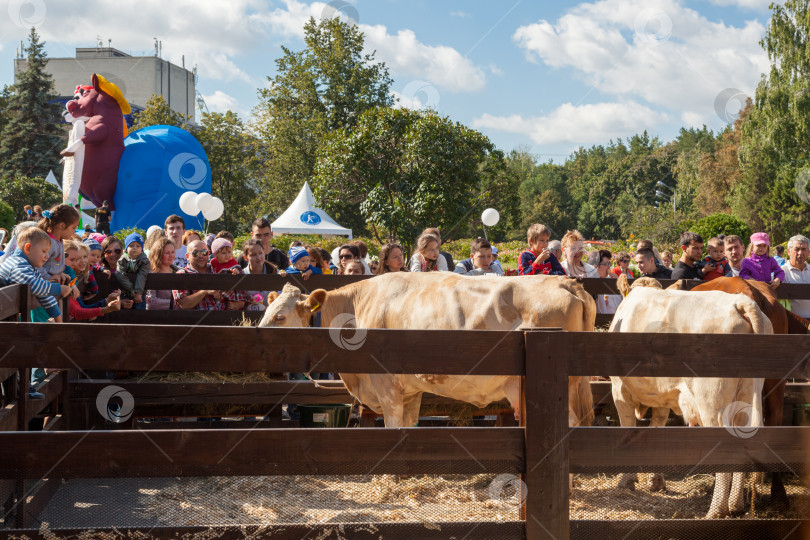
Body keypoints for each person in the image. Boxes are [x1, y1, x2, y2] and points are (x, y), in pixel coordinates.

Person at [0, 227, 71, 323]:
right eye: (44, 251)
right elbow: (35, 286)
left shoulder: (30, 268)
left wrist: (59, 320)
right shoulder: (18, 265)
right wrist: (58, 289)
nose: (47, 256)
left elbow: (43, 294)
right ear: (28, 248)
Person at [173, 239, 247, 310]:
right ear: (187, 256)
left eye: (204, 252)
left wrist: (236, 273)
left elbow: (237, 291)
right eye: (196, 253)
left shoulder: (217, 269)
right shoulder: (182, 274)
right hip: (197, 321)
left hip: (224, 319)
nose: (201, 256)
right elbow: (183, 304)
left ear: (209, 254)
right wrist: (204, 291)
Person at [242, 239, 279, 310]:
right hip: (249, 316)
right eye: (253, 255)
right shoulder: (242, 274)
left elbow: (280, 296)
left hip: (271, 314)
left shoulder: (275, 272)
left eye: (260, 253)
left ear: (264, 252)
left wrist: (268, 309)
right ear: (245, 257)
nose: (258, 257)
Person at [116, 233, 150, 310]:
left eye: (138, 246)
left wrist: (137, 293)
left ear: (142, 249)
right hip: (125, 291)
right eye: (131, 246)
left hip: (140, 293)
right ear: (126, 249)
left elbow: (142, 276)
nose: (135, 248)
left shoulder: (144, 261)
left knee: (139, 314)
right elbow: (120, 275)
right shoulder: (122, 260)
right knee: (125, 314)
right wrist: (132, 291)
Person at [781, 235, 810, 318]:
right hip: (792, 323)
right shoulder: (781, 272)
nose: (800, 253)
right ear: (789, 252)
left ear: (808, 252)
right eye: (796, 249)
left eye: (804, 249)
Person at [146, 237, 178, 310]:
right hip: (158, 317)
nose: (171, 256)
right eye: (167, 253)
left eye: (173, 252)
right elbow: (152, 302)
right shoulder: (151, 274)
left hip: (179, 316)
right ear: (158, 254)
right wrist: (177, 303)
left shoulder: (179, 271)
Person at [590, 249, 621, 314]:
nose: (609, 266)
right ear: (596, 266)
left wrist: (617, 284)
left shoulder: (610, 280)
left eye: (609, 263)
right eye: (606, 264)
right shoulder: (589, 281)